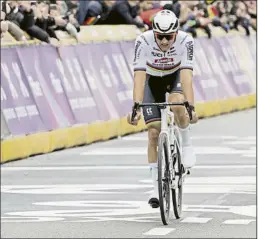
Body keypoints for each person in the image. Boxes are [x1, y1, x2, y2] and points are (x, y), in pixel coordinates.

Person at [127, 9, 198, 208]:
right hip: (152, 79)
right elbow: (139, 75)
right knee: (153, 133)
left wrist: (190, 106)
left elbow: (186, 77)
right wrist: (136, 105)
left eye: (169, 37)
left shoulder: (186, 40)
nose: (165, 41)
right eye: (161, 37)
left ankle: (186, 143)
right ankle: (155, 186)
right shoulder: (143, 41)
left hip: (175, 75)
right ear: (154, 33)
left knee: (177, 101)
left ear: (176, 33)